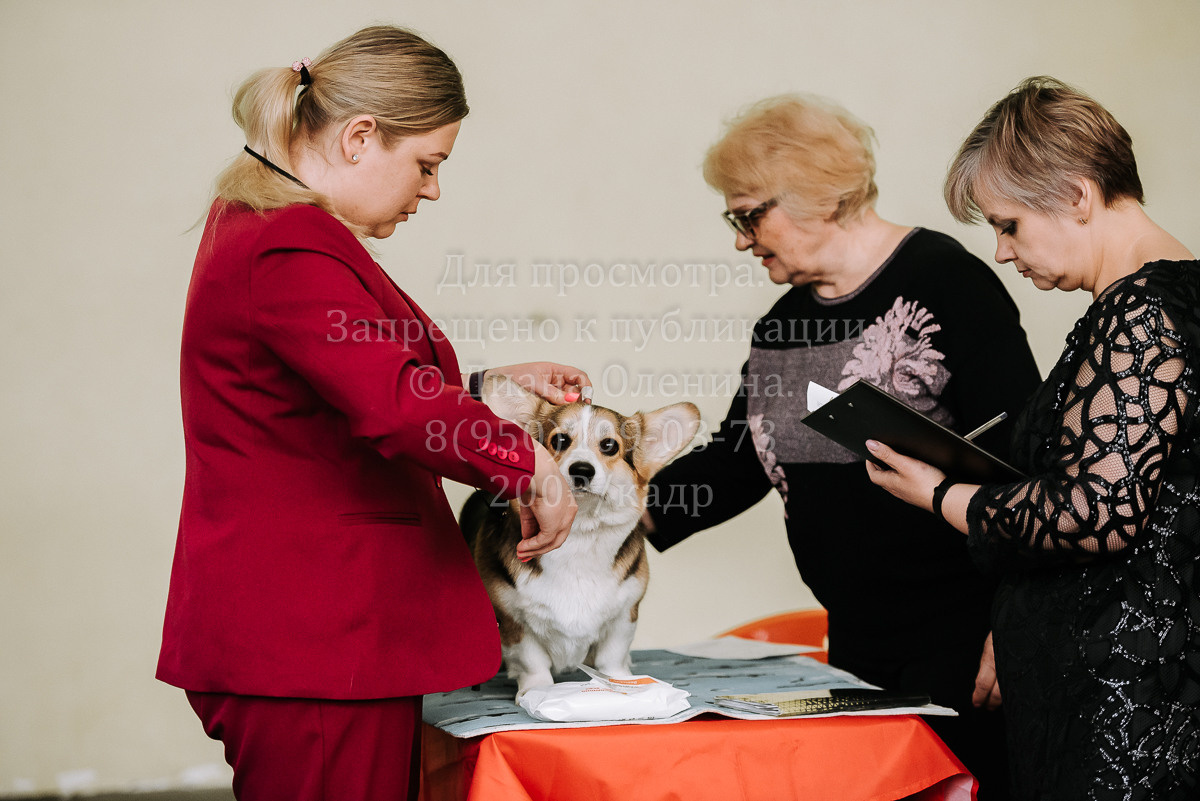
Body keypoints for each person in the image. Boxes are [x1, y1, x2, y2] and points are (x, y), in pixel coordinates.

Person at [156, 26, 591, 801]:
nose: (431, 190)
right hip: (315, 642)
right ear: (361, 137)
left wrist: (489, 386)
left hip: (318, 641)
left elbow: (332, 388)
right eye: (428, 164)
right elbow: (391, 404)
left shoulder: (265, 228)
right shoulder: (287, 244)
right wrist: (530, 465)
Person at [642, 94, 1042, 798]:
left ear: (815, 196)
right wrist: (601, 502)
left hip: (966, 646)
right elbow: (736, 464)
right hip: (856, 653)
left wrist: (1017, 633)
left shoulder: (943, 280)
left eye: (749, 214)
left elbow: (1026, 464)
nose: (740, 239)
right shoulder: (781, 326)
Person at [866, 76, 1200, 800]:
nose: (1002, 252)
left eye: (1008, 224)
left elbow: (1099, 511)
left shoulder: (1139, 313)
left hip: (1125, 708)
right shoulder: (1170, 302)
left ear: (1078, 196)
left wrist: (944, 493)